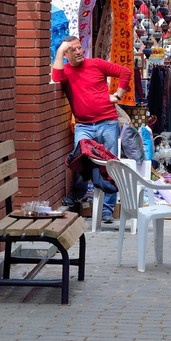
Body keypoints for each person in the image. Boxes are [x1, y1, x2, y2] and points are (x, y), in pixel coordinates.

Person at [52, 36, 132, 225]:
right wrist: (59, 50)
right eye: (73, 49)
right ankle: (78, 194)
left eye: (79, 48)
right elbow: (56, 78)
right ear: (66, 54)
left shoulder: (95, 64)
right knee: (79, 159)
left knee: (110, 164)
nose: (79, 52)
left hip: (108, 122)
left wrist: (118, 95)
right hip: (84, 125)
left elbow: (125, 72)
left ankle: (107, 210)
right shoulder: (67, 71)